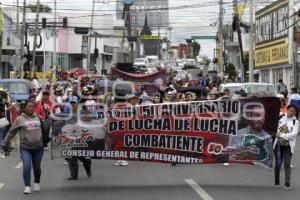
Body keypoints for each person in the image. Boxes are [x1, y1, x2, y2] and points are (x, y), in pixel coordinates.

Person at [1, 101, 44, 194]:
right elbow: (11, 132)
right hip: (26, 148)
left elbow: (44, 129)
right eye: (29, 106)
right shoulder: (19, 119)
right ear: (24, 108)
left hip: (38, 148)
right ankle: (27, 186)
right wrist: (4, 143)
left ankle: (37, 182)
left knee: (37, 167)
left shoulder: (38, 117)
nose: (31, 108)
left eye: (33, 106)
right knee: (27, 165)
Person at [61, 96, 93, 180]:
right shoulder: (68, 114)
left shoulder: (83, 113)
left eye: (74, 103)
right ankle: (73, 175)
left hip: (82, 137)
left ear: (77, 103)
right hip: (71, 137)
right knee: (72, 156)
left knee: (84, 157)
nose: (73, 105)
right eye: (71, 103)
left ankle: (88, 168)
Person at [274, 105, 299, 189]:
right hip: (278, 145)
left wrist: (281, 135)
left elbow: (293, 134)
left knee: (287, 163)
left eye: (294, 111)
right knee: (278, 163)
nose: (292, 112)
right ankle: (277, 181)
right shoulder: (280, 116)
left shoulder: (295, 122)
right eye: (290, 110)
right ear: (287, 110)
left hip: (288, 146)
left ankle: (287, 183)